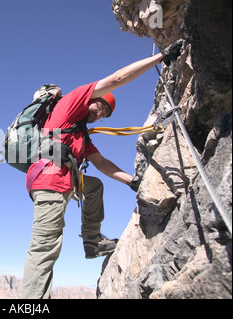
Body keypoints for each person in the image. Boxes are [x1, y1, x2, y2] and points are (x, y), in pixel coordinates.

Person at [21, 40, 183, 299]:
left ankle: (92, 242)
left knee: (95, 186)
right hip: (50, 184)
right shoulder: (72, 103)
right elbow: (119, 78)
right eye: (100, 108)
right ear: (93, 99)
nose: (99, 116)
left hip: (64, 182)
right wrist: (161, 56)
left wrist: (133, 181)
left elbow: (102, 163)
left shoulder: (78, 133)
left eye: (104, 115)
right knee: (45, 248)